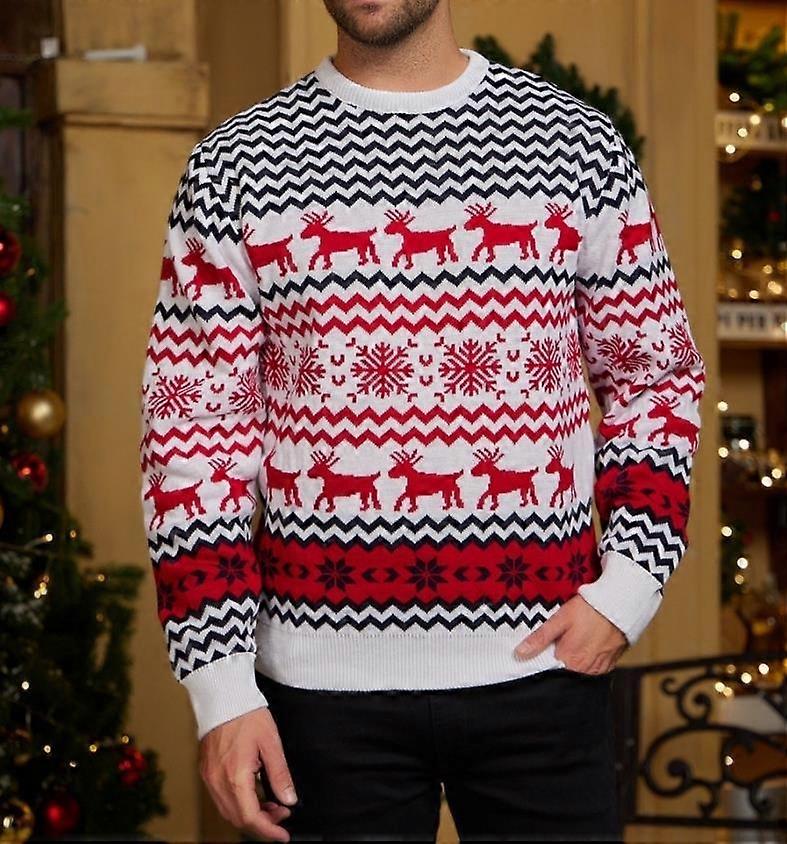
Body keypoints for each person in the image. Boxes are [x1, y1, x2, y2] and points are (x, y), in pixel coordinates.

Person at [138, 0, 707, 840]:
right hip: (317, 702)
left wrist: (627, 588)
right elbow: (193, 436)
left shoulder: (574, 144)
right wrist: (219, 686)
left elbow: (652, 378)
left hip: (546, 672)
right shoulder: (235, 166)